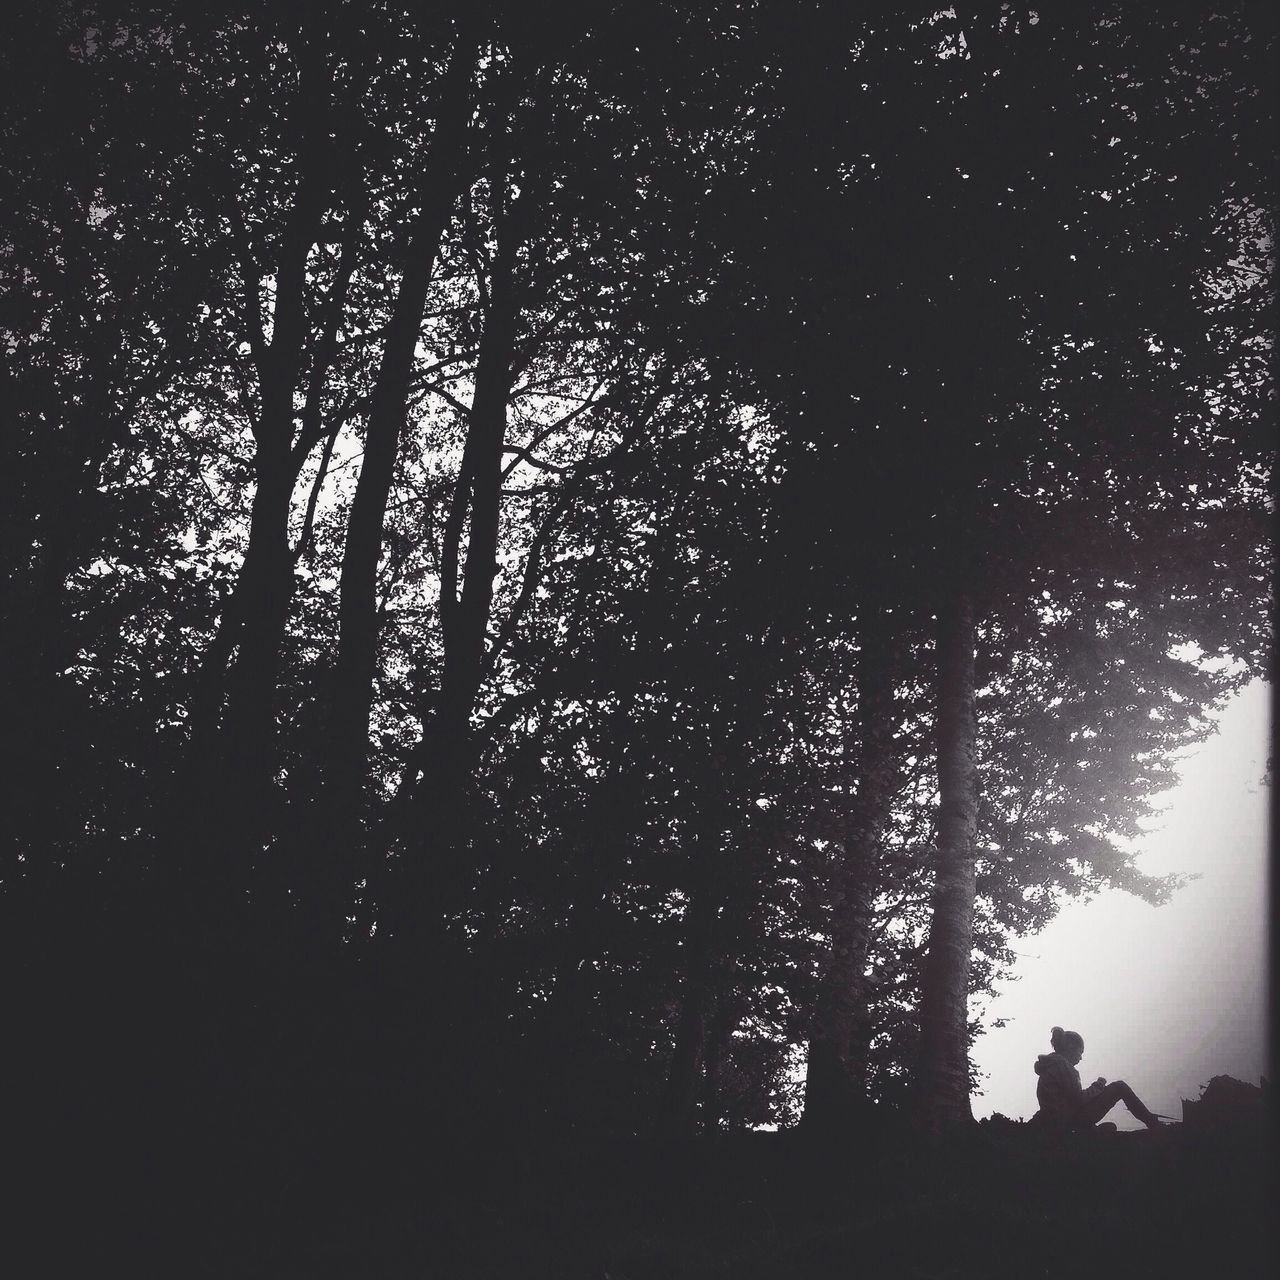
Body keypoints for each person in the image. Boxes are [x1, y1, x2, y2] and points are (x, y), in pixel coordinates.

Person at [1032, 1026, 1163, 1132]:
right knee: (1119, 1087)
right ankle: (1153, 1123)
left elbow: (1068, 1099)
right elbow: (1079, 1100)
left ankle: (1090, 1131)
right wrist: (1098, 1086)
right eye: (1080, 1052)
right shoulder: (1064, 1066)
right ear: (1071, 1048)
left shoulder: (1050, 1065)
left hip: (1056, 1121)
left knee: (1109, 1126)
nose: (1081, 1058)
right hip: (1068, 1121)